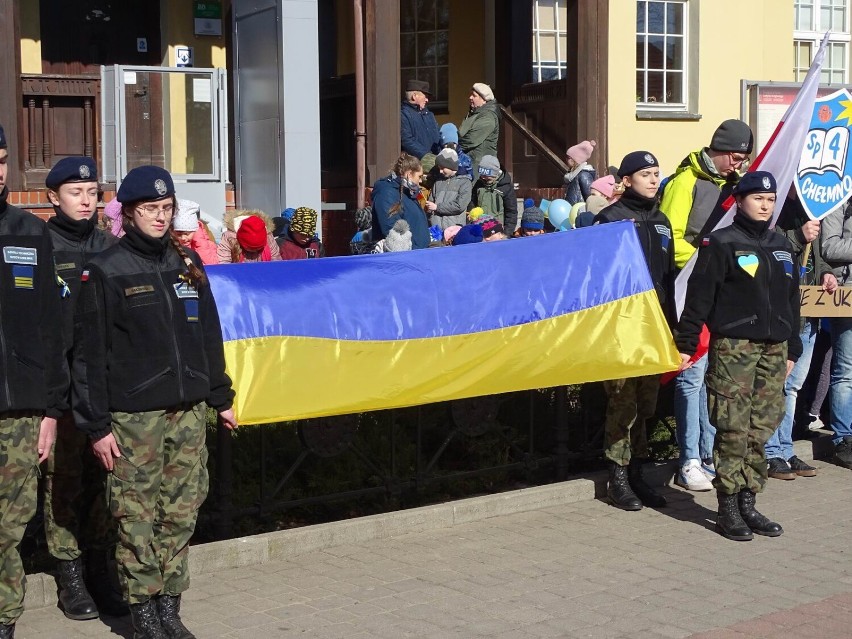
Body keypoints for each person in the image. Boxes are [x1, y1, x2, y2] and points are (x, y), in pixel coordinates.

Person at [72, 165, 237, 638]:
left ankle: (170, 606)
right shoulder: (106, 269)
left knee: (181, 511)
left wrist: (220, 397)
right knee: (136, 517)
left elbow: (209, 337)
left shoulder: (187, 264)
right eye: (151, 209)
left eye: (166, 208)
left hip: (185, 413)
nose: (161, 217)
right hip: (134, 420)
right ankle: (142, 612)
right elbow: (88, 356)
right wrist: (97, 426)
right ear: (128, 212)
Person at [676, 171, 800, 541]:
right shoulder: (721, 243)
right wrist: (686, 342)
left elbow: (792, 300)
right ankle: (728, 505)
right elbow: (699, 297)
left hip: (774, 348)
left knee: (761, 426)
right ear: (741, 201)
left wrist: (793, 344)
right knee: (732, 427)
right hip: (735, 347)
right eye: (758, 198)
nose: (765, 205)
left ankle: (750, 501)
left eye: (771, 199)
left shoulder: (782, 245)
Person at [43, 156, 127, 622]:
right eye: (76, 193)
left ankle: (101, 570)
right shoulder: (40, 244)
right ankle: (69, 576)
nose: (86, 200)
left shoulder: (108, 247)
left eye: (93, 192)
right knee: (64, 483)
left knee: (105, 482)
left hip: (104, 386)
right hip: (60, 386)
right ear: (54, 197)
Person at [661, 119, 754, 492]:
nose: (739, 164)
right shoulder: (685, 182)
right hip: (687, 290)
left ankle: (706, 454)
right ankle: (689, 461)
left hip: (717, 291)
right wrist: (709, 257)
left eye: (744, 158)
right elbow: (670, 237)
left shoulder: (732, 186)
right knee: (690, 379)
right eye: (735, 156)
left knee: (708, 380)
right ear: (718, 149)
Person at [0, 123, 64, 639]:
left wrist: (49, 411)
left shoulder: (29, 232)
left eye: (1, 159)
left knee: (8, 529)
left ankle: (4, 621)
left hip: (21, 410)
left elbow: (50, 326)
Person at [594, 151, 675, 511]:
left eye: (657, 173)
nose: (654, 179)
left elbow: (669, 279)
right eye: (645, 174)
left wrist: (672, 326)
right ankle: (618, 477)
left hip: (655, 326)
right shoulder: (609, 219)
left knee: (646, 404)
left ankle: (638, 472)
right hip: (622, 327)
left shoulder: (661, 221)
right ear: (626, 180)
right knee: (621, 403)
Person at [764, 192, 836, 480]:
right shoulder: (777, 210)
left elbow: (817, 260)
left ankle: (785, 448)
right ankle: (770, 453)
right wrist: (797, 235)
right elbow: (771, 249)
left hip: (808, 316)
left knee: (792, 386)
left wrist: (826, 274)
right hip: (784, 316)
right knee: (776, 383)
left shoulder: (813, 210)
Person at [821, 201, 852, 469]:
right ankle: (843, 439)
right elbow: (828, 246)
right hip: (847, 294)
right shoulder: (839, 202)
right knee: (845, 371)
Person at [370, 153, 430, 250]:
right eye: (419, 176)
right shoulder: (386, 193)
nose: (420, 181)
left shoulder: (407, 192)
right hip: (406, 256)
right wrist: (412, 249)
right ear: (409, 174)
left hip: (418, 253)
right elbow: (391, 228)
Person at [470, 155, 518, 237]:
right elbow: (472, 203)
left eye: (487, 177)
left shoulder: (505, 187)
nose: (483, 178)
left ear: (495, 173)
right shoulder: (479, 185)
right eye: (482, 175)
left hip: (498, 231)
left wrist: (507, 233)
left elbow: (511, 212)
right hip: (481, 228)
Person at [425, 149, 472, 231]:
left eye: (443, 168)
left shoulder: (465, 183)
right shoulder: (438, 182)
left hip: (454, 229)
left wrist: (437, 207)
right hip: (436, 229)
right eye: (439, 168)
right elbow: (431, 201)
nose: (440, 171)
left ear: (452, 166)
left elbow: (459, 206)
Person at [458, 83, 500, 174]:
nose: (470, 98)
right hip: (470, 162)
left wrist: (454, 146)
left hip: (480, 166)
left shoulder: (488, 117)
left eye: (474, 96)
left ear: (484, 99)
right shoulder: (474, 114)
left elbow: (471, 140)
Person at [400, 79, 440, 161]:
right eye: (425, 96)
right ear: (414, 96)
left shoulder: (429, 115)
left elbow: (438, 135)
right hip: (416, 165)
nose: (427, 100)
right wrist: (427, 157)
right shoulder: (404, 115)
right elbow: (407, 141)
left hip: (435, 162)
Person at [172, 199, 219, 265]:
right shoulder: (171, 247)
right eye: (179, 234)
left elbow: (212, 265)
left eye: (186, 234)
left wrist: (200, 241)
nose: (183, 238)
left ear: (195, 231)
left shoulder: (208, 245)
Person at [563, 140, 597, 206]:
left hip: (579, 212)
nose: (566, 159)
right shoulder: (573, 175)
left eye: (568, 157)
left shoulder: (584, 175)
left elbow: (590, 199)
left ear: (574, 159)